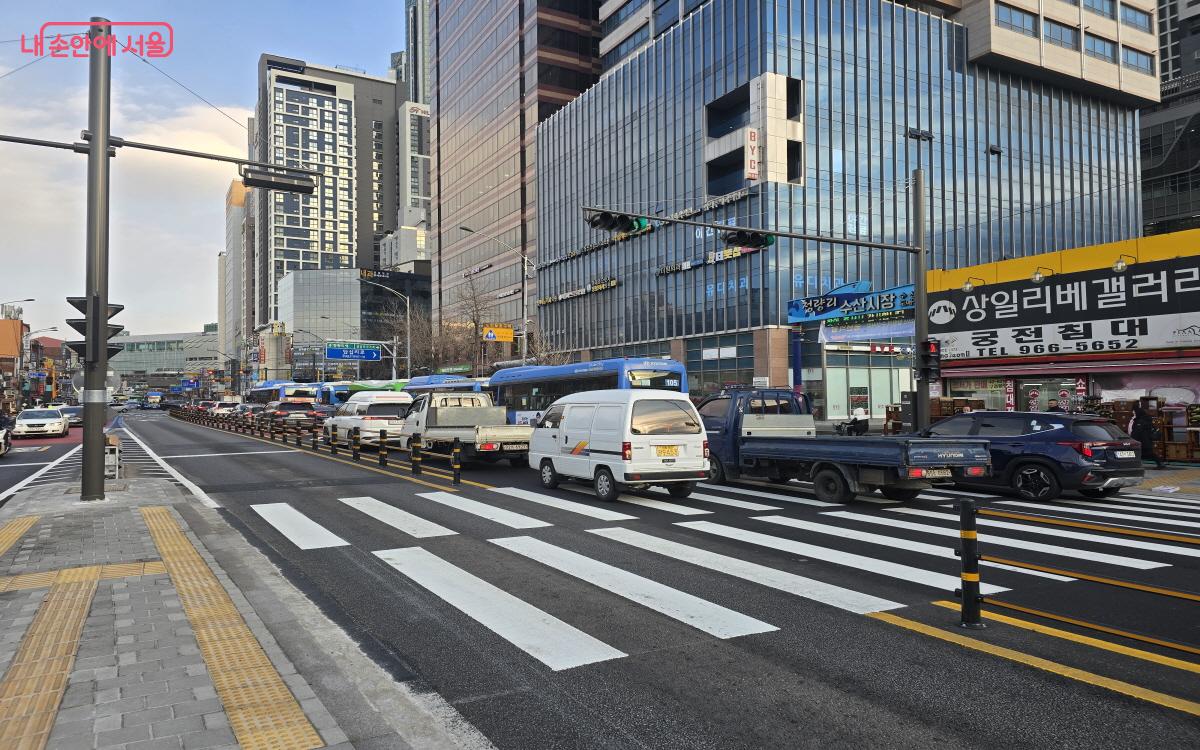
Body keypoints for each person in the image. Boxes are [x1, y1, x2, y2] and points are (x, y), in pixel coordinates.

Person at [1128, 405, 1164, 470]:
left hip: (1143, 441)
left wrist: (1132, 439)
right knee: (1148, 454)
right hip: (1146, 441)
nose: (1134, 413)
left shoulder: (1140, 421)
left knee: (1147, 453)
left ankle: (1160, 464)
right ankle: (1160, 464)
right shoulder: (1146, 419)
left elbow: (1136, 432)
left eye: (1135, 412)